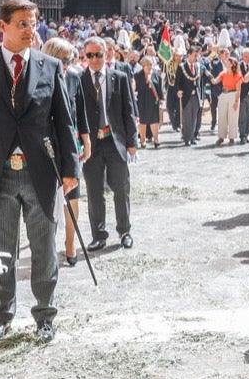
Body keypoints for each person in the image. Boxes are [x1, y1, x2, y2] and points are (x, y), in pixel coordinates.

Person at [0, 0, 79, 343]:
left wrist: (70, 167)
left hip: (40, 172)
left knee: (44, 247)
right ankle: (3, 315)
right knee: (2, 249)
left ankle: (45, 315)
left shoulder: (48, 66)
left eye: (34, 23)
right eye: (23, 24)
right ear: (2, 26)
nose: (31, 31)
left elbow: (63, 120)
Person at [78, 35, 137, 250]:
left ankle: (125, 231)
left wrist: (132, 141)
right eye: (90, 55)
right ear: (84, 56)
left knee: (121, 188)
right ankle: (99, 235)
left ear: (106, 54)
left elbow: (128, 111)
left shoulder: (119, 77)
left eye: (98, 54)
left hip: (115, 141)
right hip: (91, 145)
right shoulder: (79, 79)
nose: (94, 59)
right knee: (94, 192)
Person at [41, 36, 87, 268]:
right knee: (47, 200)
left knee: (73, 198)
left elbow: (79, 112)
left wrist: (86, 140)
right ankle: (47, 247)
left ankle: (71, 244)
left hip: (70, 145)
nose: (66, 65)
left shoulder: (74, 78)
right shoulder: (37, 79)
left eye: (69, 60)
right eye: (62, 60)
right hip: (46, 146)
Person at [173, 47, 204, 145]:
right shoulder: (182, 67)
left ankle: (192, 136)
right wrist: (178, 90)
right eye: (195, 55)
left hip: (196, 95)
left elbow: (200, 82)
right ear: (189, 55)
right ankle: (187, 138)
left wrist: (201, 95)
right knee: (187, 118)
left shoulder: (198, 66)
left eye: (197, 55)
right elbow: (177, 82)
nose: (196, 57)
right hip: (186, 96)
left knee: (194, 117)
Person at [133, 54, 164, 148]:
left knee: (155, 121)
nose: (150, 67)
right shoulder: (137, 76)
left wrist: (161, 100)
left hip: (154, 102)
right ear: (143, 66)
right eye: (148, 65)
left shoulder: (156, 75)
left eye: (151, 65)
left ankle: (156, 140)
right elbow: (134, 88)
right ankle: (143, 140)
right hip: (142, 102)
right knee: (143, 122)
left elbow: (159, 88)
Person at [214, 51, 243, 146]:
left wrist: (236, 101)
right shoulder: (223, 73)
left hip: (233, 95)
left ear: (232, 64)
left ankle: (232, 138)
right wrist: (208, 74)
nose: (226, 63)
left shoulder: (237, 75)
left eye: (228, 62)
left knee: (233, 117)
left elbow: (238, 90)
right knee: (222, 116)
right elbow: (215, 81)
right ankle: (221, 137)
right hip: (224, 94)